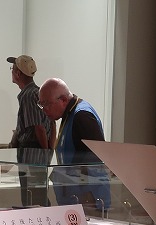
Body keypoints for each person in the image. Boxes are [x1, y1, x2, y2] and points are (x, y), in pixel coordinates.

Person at [37, 77, 111, 211]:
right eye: (41, 104)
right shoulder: (69, 114)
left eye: (46, 104)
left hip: (88, 201)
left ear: (63, 100)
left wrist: (87, 203)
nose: (44, 110)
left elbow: (94, 162)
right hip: (75, 200)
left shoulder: (82, 116)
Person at [6, 55, 52, 206]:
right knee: (38, 193)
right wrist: (50, 150)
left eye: (12, 69)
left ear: (18, 74)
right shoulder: (38, 92)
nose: (11, 72)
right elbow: (52, 123)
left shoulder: (27, 96)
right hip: (38, 154)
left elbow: (38, 127)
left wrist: (45, 153)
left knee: (32, 197)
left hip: (32, 155)